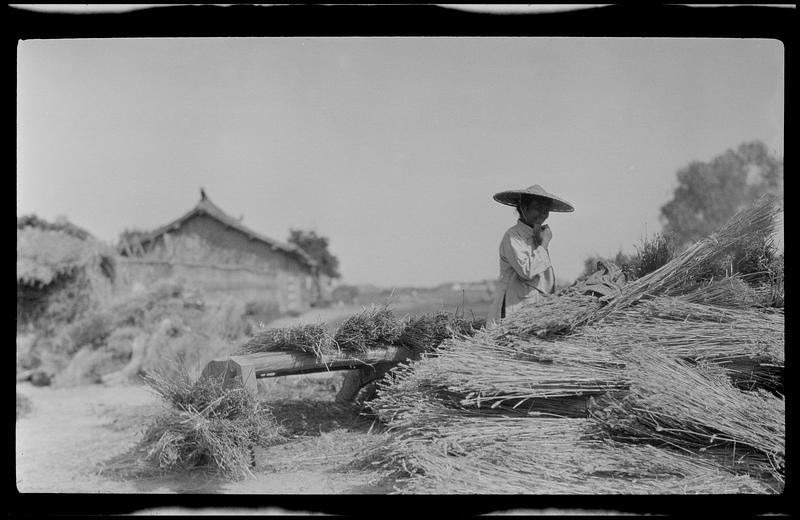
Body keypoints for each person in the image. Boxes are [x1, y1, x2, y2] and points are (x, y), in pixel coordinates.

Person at [485, 184, 574, 326]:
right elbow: (526, 271)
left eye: (546, 209)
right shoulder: (513, 236)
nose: (543, 213)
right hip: (514, 308)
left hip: (535, 308)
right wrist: (544, 244)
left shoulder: (538, 235)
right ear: (523, 208)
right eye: (537, 208)